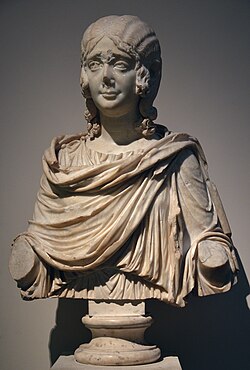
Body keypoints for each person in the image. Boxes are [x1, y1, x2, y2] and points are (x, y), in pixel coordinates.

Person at [9, 15, 238, 307]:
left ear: (145, 75)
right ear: (84, 76)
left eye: (119, 64)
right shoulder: (63, 163)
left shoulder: (174, 159)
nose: (105, 76)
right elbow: (40, 248)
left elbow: (209, 243)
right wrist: (30, 255)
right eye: (94, 64)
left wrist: (211, 257)